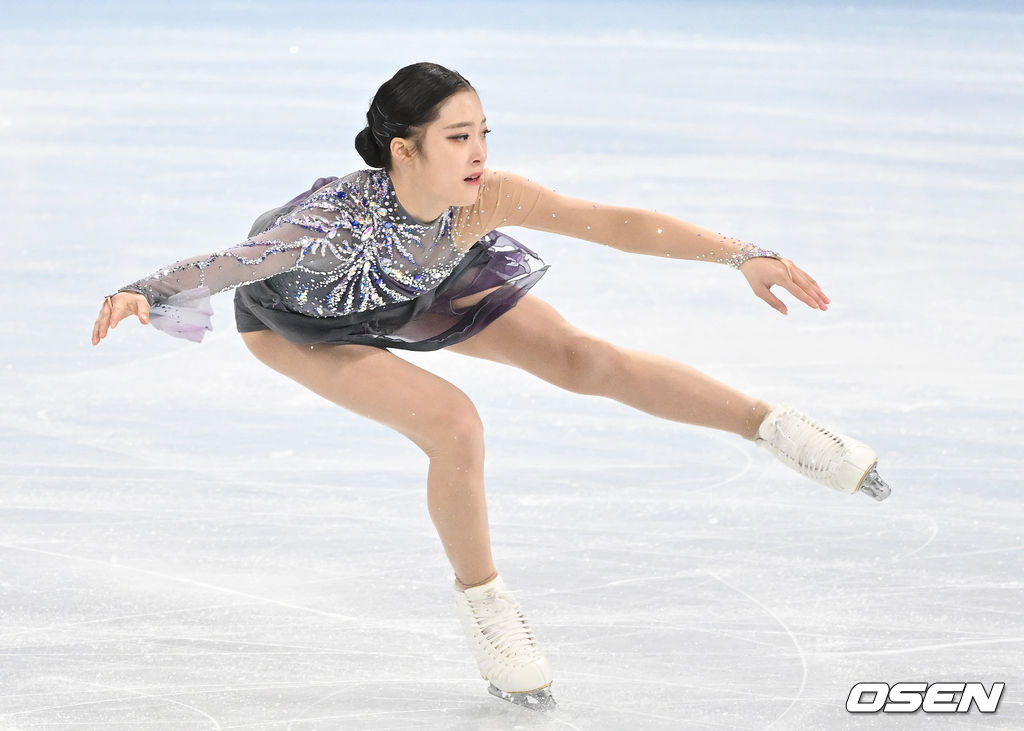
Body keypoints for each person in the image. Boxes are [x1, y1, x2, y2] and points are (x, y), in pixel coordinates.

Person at [91, 61, 891, 711]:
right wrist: (142, 288)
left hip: (422, 281)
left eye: (483, 133)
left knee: (585, 358)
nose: (478, 152)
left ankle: (774, 427)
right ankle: (486, 609)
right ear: (404, 149)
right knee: (455, 423)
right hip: (302, 326)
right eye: (458, 137)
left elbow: (611, 222)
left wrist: (739, 252)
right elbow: (227, 264)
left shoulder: (484, 198)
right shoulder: (330, 227)